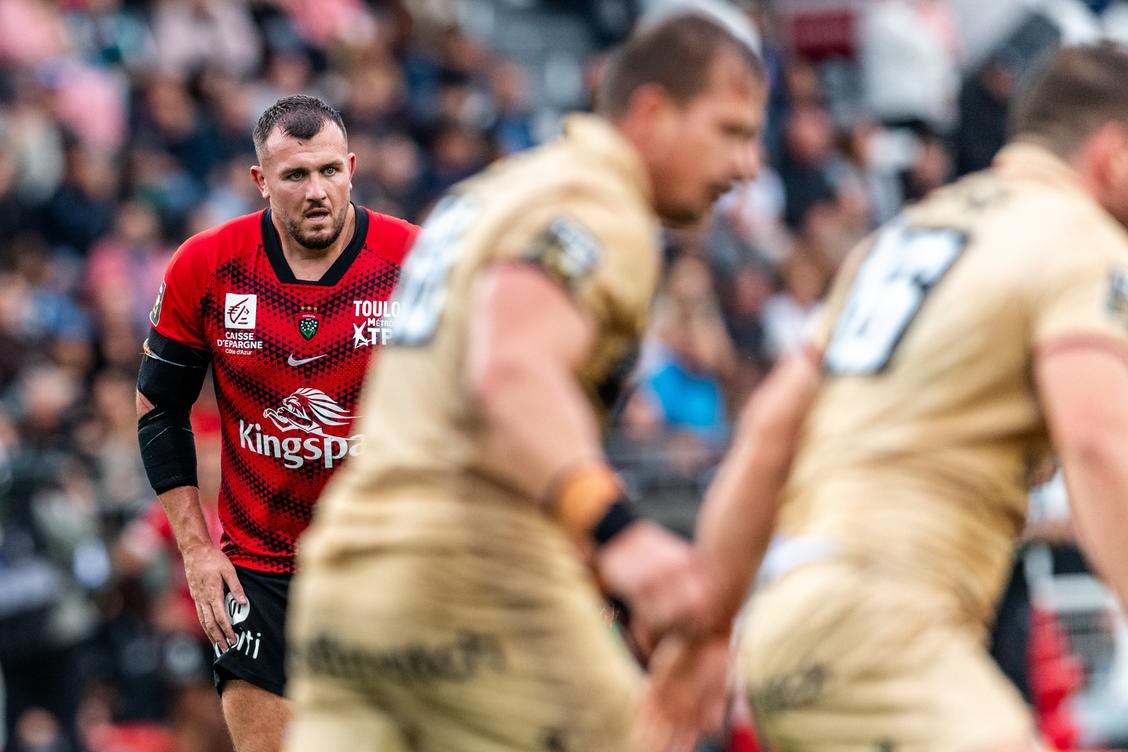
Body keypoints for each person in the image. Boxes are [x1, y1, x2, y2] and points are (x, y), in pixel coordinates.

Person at [283, 14, 765, 752]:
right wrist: (617, 532)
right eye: (729, 130)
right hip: (474, 577)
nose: (747, 165)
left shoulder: (495, 191)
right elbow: (509, 369)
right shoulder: (599, 201)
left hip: (347, 580)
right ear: (651, 112)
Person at [650, 43, 1128, 751]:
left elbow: (768, 432)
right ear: (1114, 155)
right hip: (892, 624)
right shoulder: (1080, 242)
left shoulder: (904, 236)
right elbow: (1100, 443)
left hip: (787, 626)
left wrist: (710, 632)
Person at [135, 95, 418, 752]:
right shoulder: (207, 267)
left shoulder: (417, 263)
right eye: (295, 175)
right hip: (260, 570)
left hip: (387, 562)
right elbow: (158, 409)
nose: (316, 191)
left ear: (352, 168)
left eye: (328, 172)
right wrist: (197, 550)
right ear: (261, 181)